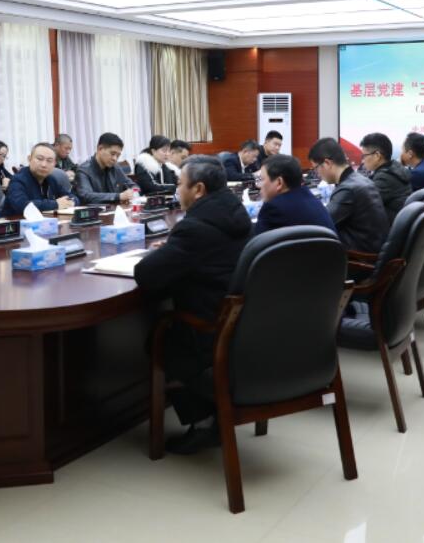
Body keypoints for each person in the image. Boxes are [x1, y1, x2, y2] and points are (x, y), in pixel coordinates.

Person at [133, 155, 251, 454]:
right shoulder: (234, 212)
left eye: (179, 184)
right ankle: (212, 414)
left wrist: (166, 252)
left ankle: (204, 422)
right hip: (243, 327)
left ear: (198, 189)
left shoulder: (196, 227)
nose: (177, 190)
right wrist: (176, 248)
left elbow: (147, 275)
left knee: (161, 341)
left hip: (209, 332)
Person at [309, 137, 388, 255]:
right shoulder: (360, 180)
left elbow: (321, 224)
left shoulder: (348, 189)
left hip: (360, 259)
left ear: (327, 163)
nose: (317, 174)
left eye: (316, 168)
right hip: (372, 250)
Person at [253, 154, 335, 235]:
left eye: (262, 179)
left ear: (279, 182)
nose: (259, 185)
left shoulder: (272, 209)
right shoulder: (314, 201)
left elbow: (257, 242)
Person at [2, 142, 78, 215]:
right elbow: (22, 205)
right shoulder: (17, 180)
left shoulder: (51, 179)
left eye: (49, 161)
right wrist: (56, 204)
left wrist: (70, 202)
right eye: (39, 159)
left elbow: (74, 198)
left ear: (54, 164)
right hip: (14, 222)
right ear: (29, 159)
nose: (44, 165)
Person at [358, 132, 412, 218]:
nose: (363, 160)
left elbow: (361, 205)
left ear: (377, 155)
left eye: (364, 156)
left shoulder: (384, 179)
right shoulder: (394, 168)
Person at [75, 132, 138, 205]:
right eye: (112, 154)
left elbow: (132, 185)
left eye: (118, 156)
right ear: (100, 149)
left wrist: (133, 193)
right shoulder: (83, 170)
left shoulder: (115, 167)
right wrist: (118, 196)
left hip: (115, 209)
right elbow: (86, 196)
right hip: (94, 211)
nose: (115, 159)